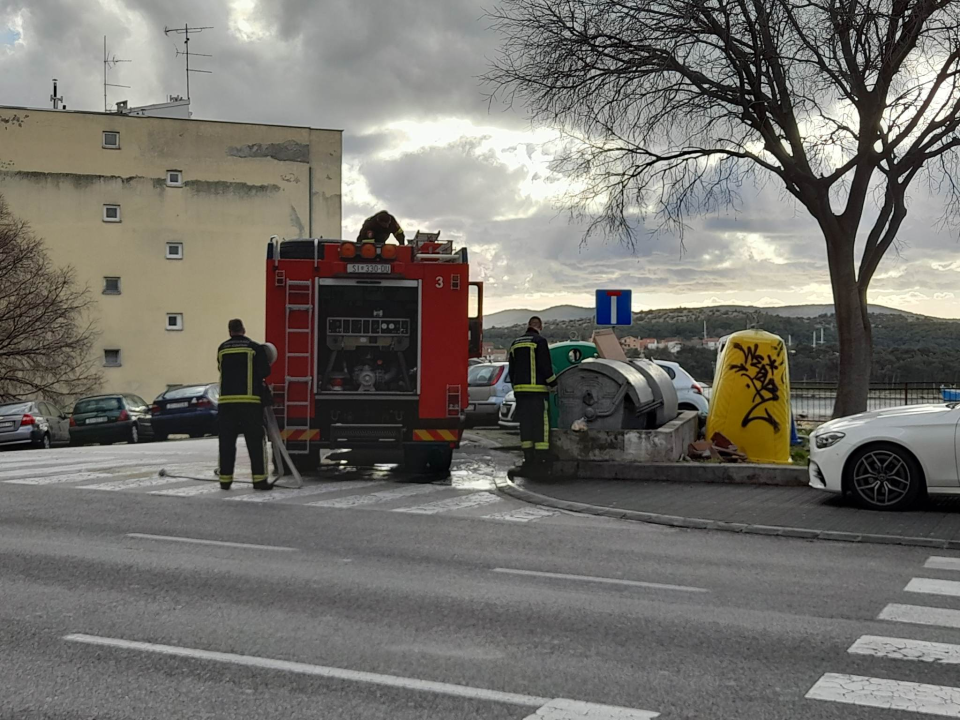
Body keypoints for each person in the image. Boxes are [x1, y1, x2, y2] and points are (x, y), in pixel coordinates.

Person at [217, 318, 272, 491]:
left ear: (229, 331)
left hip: (226, 403)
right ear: (244, 329)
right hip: (249, 402)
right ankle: (259, 480)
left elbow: (221, 369)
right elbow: (265, 371)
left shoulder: (222, 348)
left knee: (226, 443)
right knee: (255, 442)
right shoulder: (254, 348)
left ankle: (225, 481)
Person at [508, 316, 557, 471]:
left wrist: (516, 388)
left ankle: (528, 458)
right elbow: (545, 365)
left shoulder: (515, 344)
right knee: (540, 424)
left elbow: (511, 370)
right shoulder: (539, 342)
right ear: (539, 326)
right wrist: (553, 383)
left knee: (526, 424)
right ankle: (541, 458)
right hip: (537, 392)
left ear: (528, 325)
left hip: (520, 393)